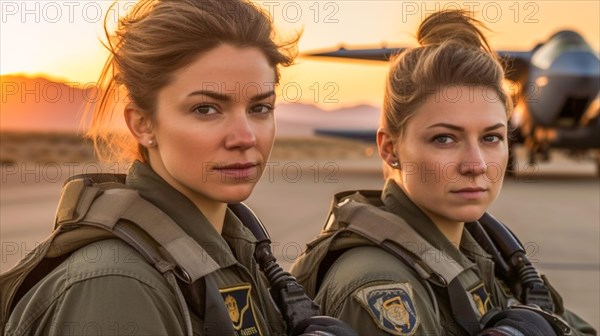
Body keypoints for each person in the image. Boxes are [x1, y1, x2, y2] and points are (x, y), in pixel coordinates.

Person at [1, 1, 356, 335]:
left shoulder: (233, 250)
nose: (245, 137)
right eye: (206, 109)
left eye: (260, 108)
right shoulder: (118, 285)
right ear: (143, 124)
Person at [290, 9, 596, 336]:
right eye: (444, 138)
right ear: (390, 149)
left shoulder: (480, 253)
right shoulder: (380, 288)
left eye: (491, 137)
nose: (476, 164)